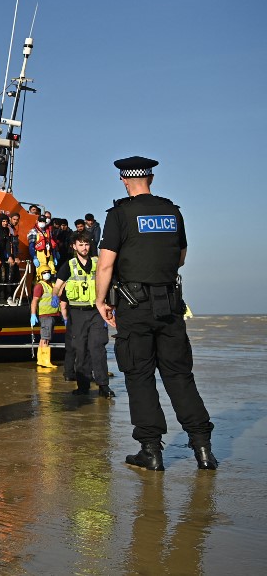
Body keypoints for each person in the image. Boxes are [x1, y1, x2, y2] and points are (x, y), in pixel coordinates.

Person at [95, 156, 216, 471]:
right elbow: (181, 257)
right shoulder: (172, 212)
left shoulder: (119, 214)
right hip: (170, 303)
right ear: (151, 178)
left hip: (134, 305)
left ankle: (151, 450)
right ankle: (203, 449)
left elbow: (106, 263)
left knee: (139, 375)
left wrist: (100, 300)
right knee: (179, 375)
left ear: (124, 180)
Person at [53, 231, 114, 398]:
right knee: (80, 349)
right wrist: (55, 296)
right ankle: (83, 385)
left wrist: (111, 305)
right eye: (81, 244)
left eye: (86, 244)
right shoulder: (69, 265)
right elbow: (57, 286)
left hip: (96, 311)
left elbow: (110, 281)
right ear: (74, 246)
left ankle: (103, 385)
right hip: (77, 313)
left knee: (97, 347)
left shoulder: (98, 263)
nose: (84, 247)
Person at [30, 264, 62, 370]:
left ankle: (41, 359)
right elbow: (34, 301)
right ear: (40, 275)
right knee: (45, 338)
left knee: (45, 338)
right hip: (45, 315)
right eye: (44, 273)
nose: (47, 274)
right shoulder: (40, 286)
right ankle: (45, 360)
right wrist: (33, 314)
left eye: (48, 272)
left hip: (52, 314)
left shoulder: (52, 284)